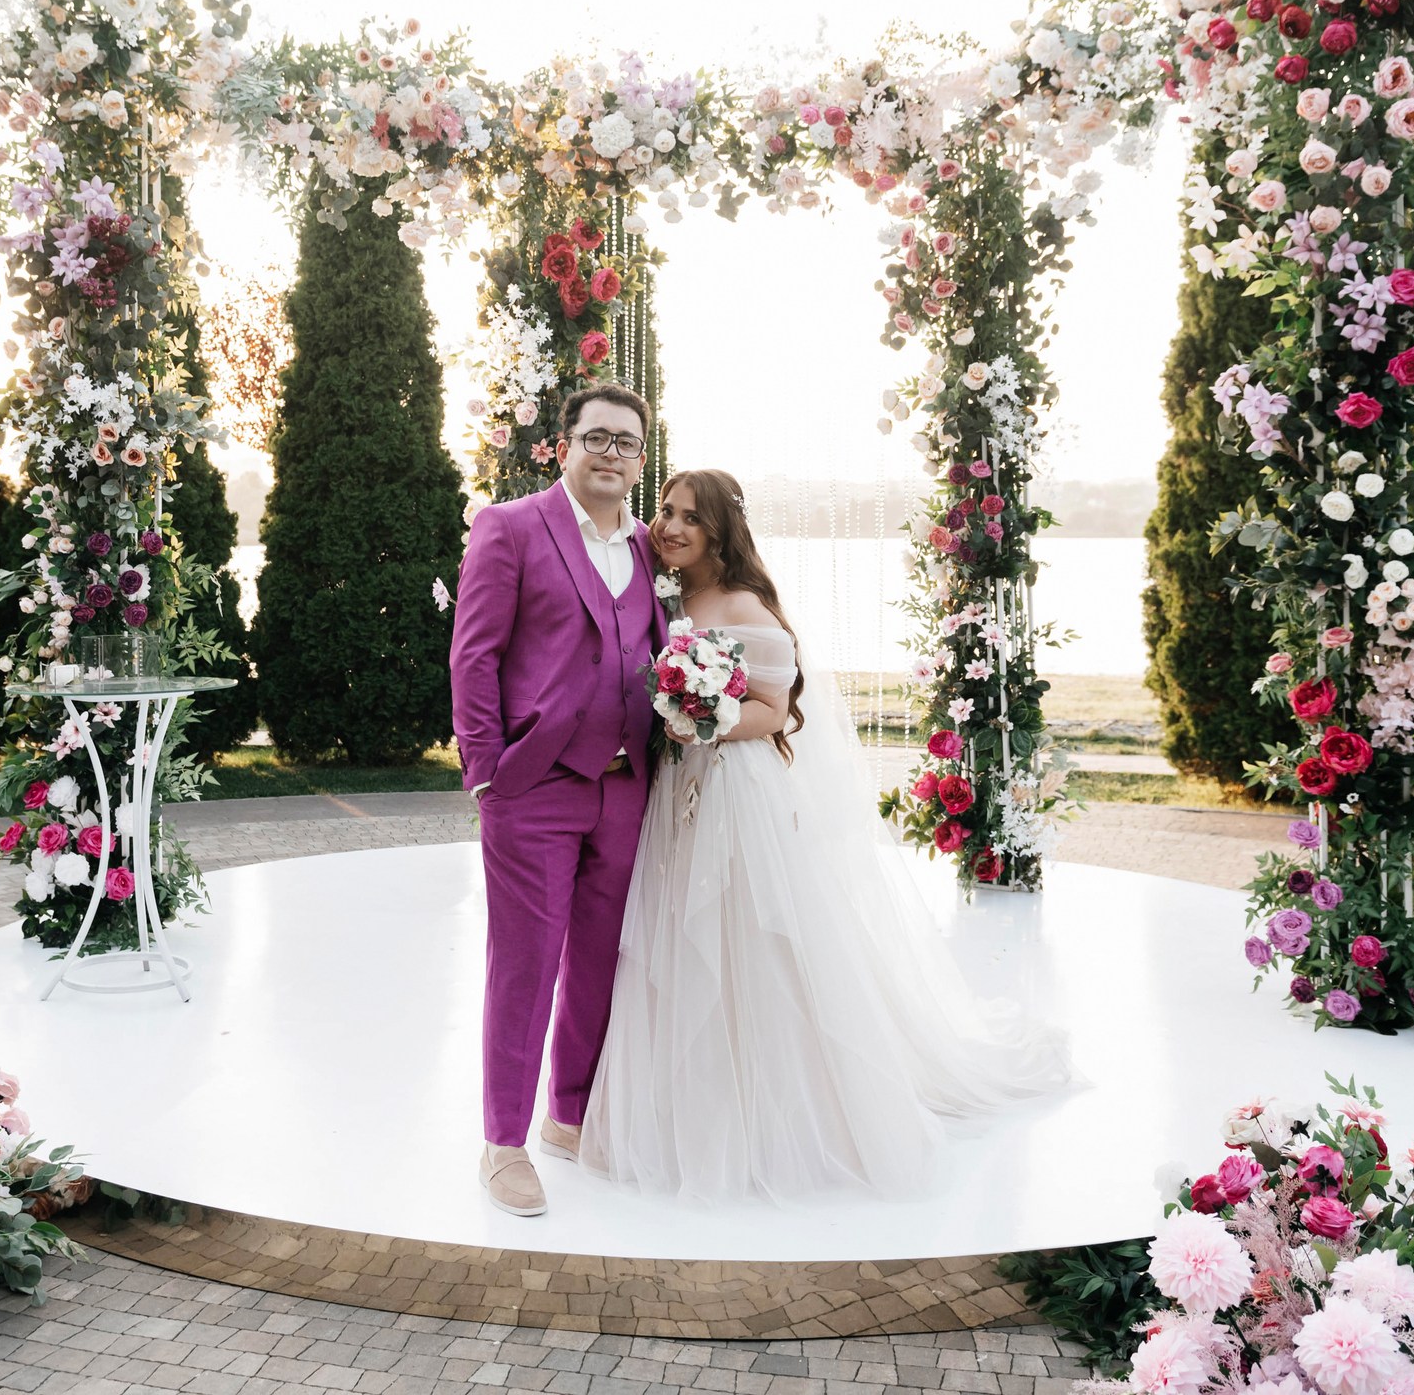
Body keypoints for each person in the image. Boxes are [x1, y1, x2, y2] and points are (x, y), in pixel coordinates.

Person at [579, 468, 1071, 1201]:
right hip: (680, 786)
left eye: (690, 518)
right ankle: (691, 1104)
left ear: (720, 530)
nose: (671, 527)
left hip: (734, 790)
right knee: (681, 933)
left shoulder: (745, 605)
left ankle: (780, 1111)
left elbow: (775, 710)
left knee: (749, 939)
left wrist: (699, 719)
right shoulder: (666, 593)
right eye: (668, 512)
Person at [447, 384, 669, 1216]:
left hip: (626, 785)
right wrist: (486, 772)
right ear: (565, 445)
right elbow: (473, 656)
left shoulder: (647, 546)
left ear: (641, 461)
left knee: (601, 961)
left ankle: (569, 1116)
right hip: (533, 788)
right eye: (597, 437)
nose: (612, 453)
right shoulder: (509, 527)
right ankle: (502, 1142)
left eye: (627, 442)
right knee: (526, 965)